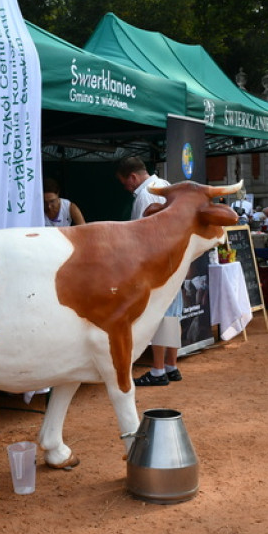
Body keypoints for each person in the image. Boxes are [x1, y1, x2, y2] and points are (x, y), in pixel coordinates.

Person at [116, 156, 181, 386]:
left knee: (158, 316)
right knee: (172, 314)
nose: (126, 187)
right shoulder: (166, 185)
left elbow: (140, 236)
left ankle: (158, 370)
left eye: (125, 182)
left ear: (133, 177)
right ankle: (172, 366)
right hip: (174, 258)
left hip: (156, 262)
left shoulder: (144, 195)